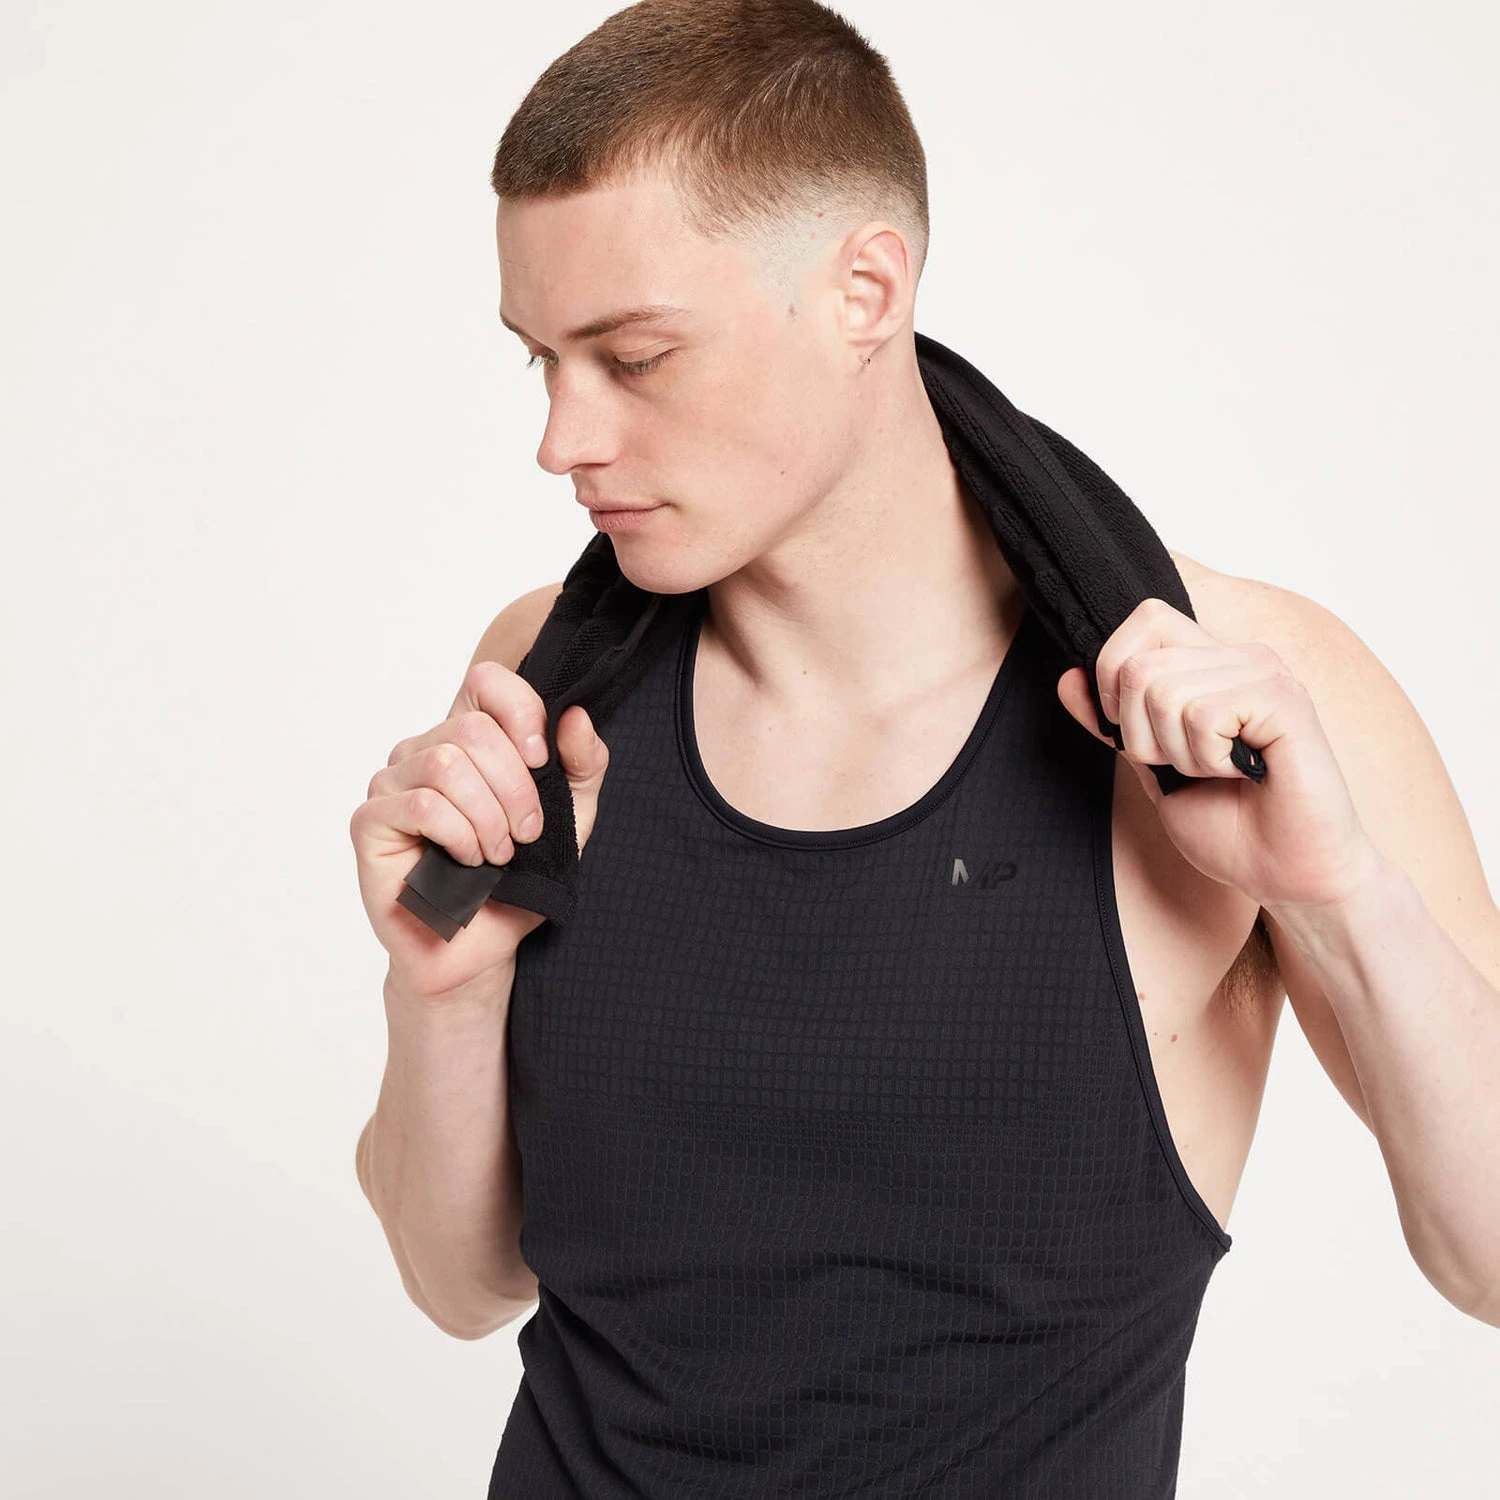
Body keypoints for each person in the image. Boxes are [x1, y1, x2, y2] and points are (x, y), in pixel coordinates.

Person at [351, 2, 1500, 1494]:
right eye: (541, 363)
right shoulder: (547, 687)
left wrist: (1339, 899)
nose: (562, 440)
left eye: (633, 357)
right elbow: (462, 1286)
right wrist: (441, 990)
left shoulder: (1249, 699)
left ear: (866, 290)